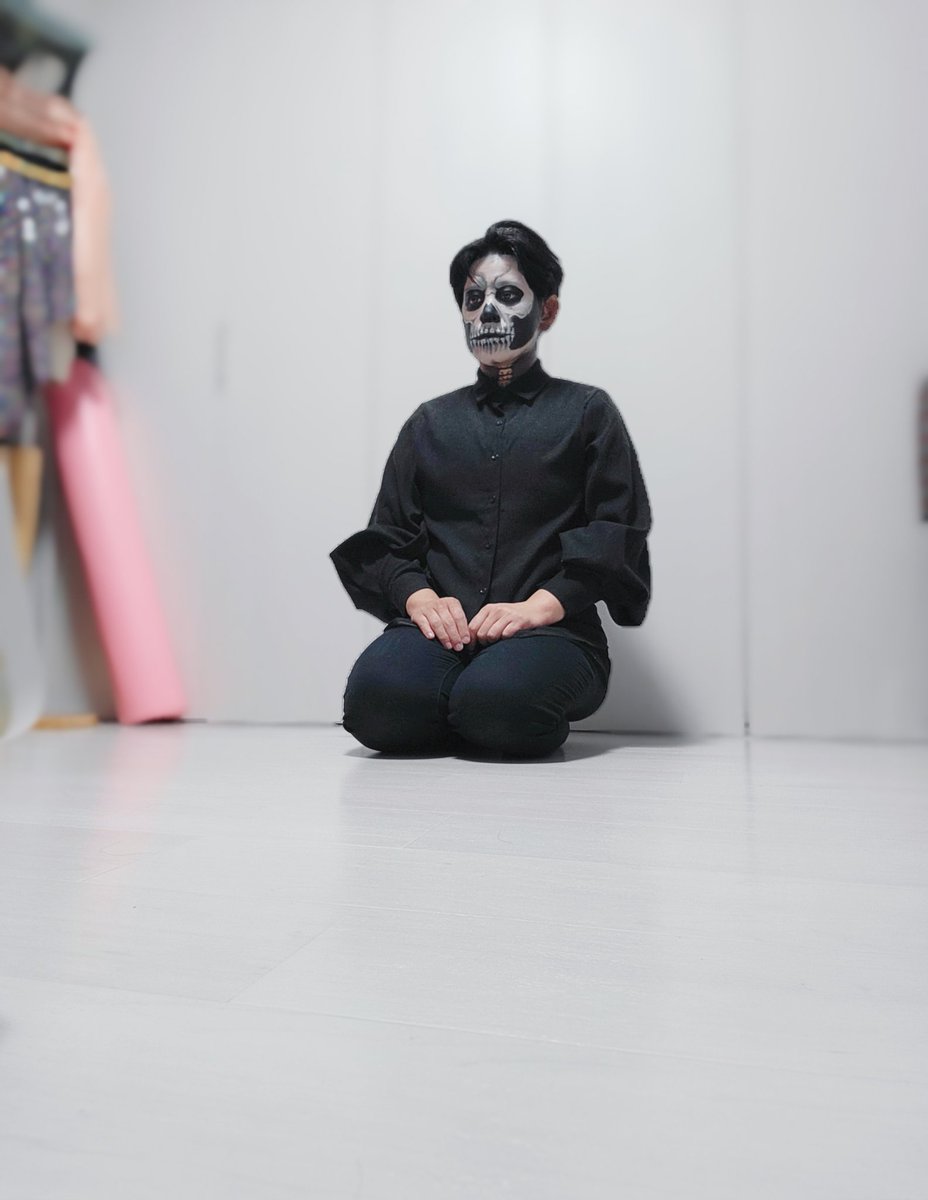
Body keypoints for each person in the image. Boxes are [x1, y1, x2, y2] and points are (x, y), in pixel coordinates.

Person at [330, 220, 652, 757]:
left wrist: (539, 607)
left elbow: (616, 531)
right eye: (473, 299)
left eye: (507, 295)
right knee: (374, 703)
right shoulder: (429, 423)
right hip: (441, 635)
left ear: (546, 311)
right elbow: (388, 537)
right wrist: (420, 598)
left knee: (500, 703)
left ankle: (474, 703)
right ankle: (462, 702)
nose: (487, 312)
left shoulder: (588, 412)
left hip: (552, 633)